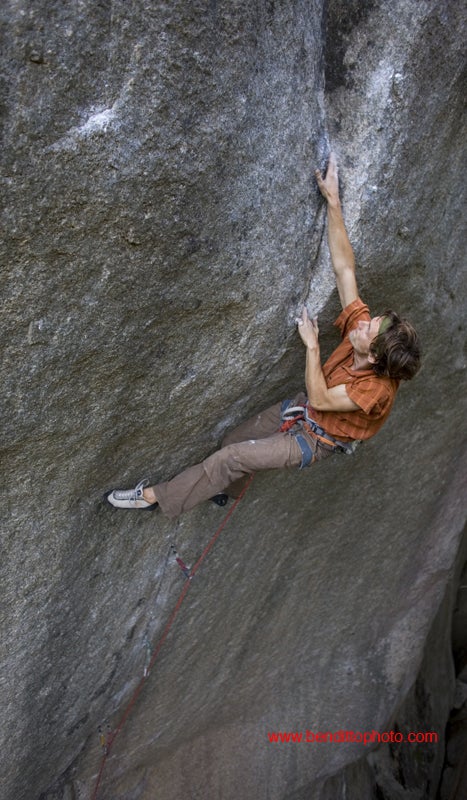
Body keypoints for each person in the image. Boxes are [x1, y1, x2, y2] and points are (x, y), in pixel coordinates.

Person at [106, 153, 421, 519]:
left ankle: (155, 497)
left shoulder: (374, 390)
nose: (363, 322)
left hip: (311, 440)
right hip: (303, 409)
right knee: (232, 442)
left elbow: (320, 396)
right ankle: (226, 490)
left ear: (377, 356)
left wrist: (313, 345)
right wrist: (333, 202)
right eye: (371, 320)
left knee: (230, 457)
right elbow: (344, 269)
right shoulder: (364, 336)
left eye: (370, 328)